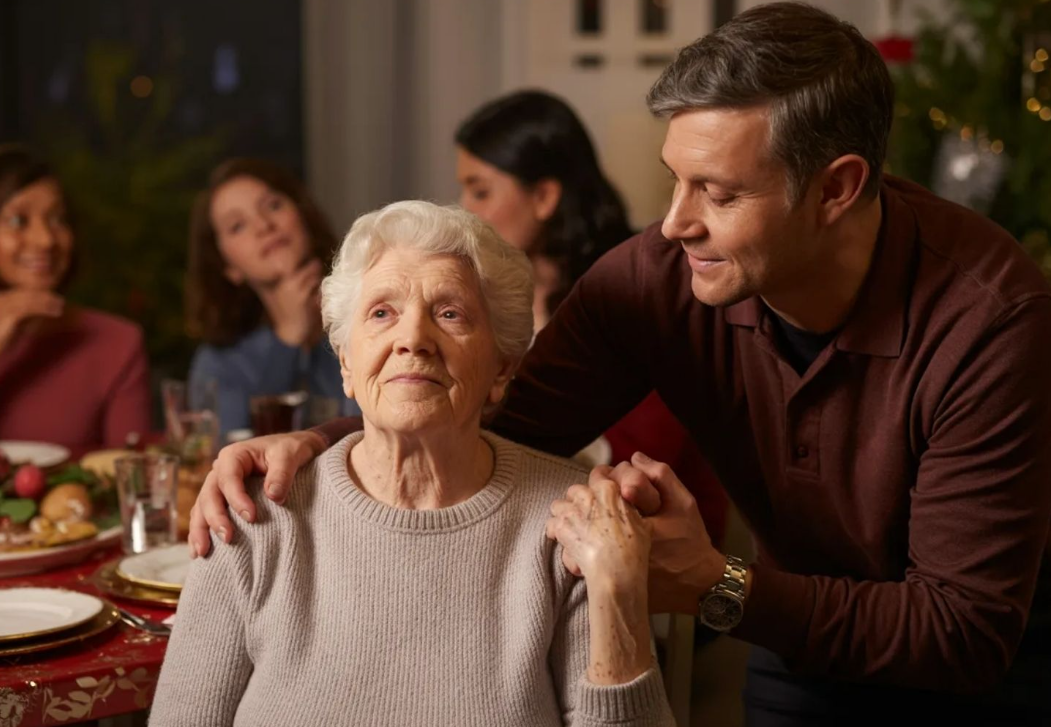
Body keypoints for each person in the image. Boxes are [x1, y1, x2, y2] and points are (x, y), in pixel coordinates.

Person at [190, 3, 1051, 723]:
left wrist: (721, 584)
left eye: (718, 193)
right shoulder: (661, 276)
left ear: (836, 189)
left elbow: (963, 629)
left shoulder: (991, 318)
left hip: (977, 674)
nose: (674, 222)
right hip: (795, 643)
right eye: (676, 179)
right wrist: (322, 443)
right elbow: (499, 413)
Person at [150, 201, 672, 726]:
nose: (413, 339)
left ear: (502, 368)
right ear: (346, 363)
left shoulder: (574, 524)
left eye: (450, 314)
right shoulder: (251, 513)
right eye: (382, 313)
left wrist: (619, 591)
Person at [456, 90, 728, 546]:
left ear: (544, 195)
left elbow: (646, 452)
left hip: (656, 535)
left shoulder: (634, 290)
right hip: (546, 517)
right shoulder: (494, 293)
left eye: (480, 190)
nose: (465, 209)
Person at [0, 144, 150, 451]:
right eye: (18, 221)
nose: (46, 240)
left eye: (57, 219)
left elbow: (134, 479)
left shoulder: (118, 343)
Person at [185, 158, 360, 434]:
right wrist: (288, 339)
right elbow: (234, 456)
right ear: (228, 267)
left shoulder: (370, 311)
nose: (264, 226)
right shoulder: (219, 363)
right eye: (237, 226)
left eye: (273, 206)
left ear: (302, 216)